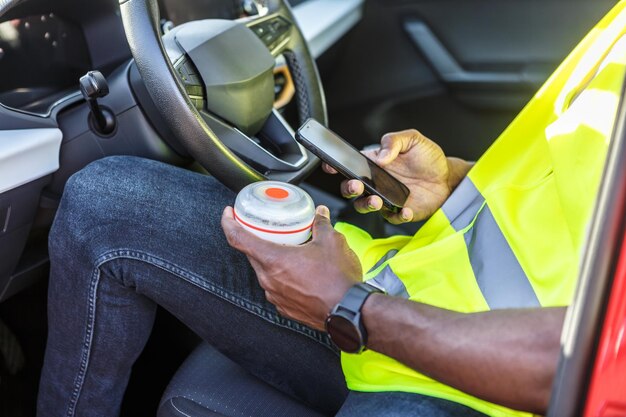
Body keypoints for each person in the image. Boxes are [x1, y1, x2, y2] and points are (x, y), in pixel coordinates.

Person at [37, 2, 626, 417]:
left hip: (487, 394)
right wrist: (449, 181)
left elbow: (583, 364)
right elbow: (571, 182)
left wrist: (347, 306)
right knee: (103, 201)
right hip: (401, 289)